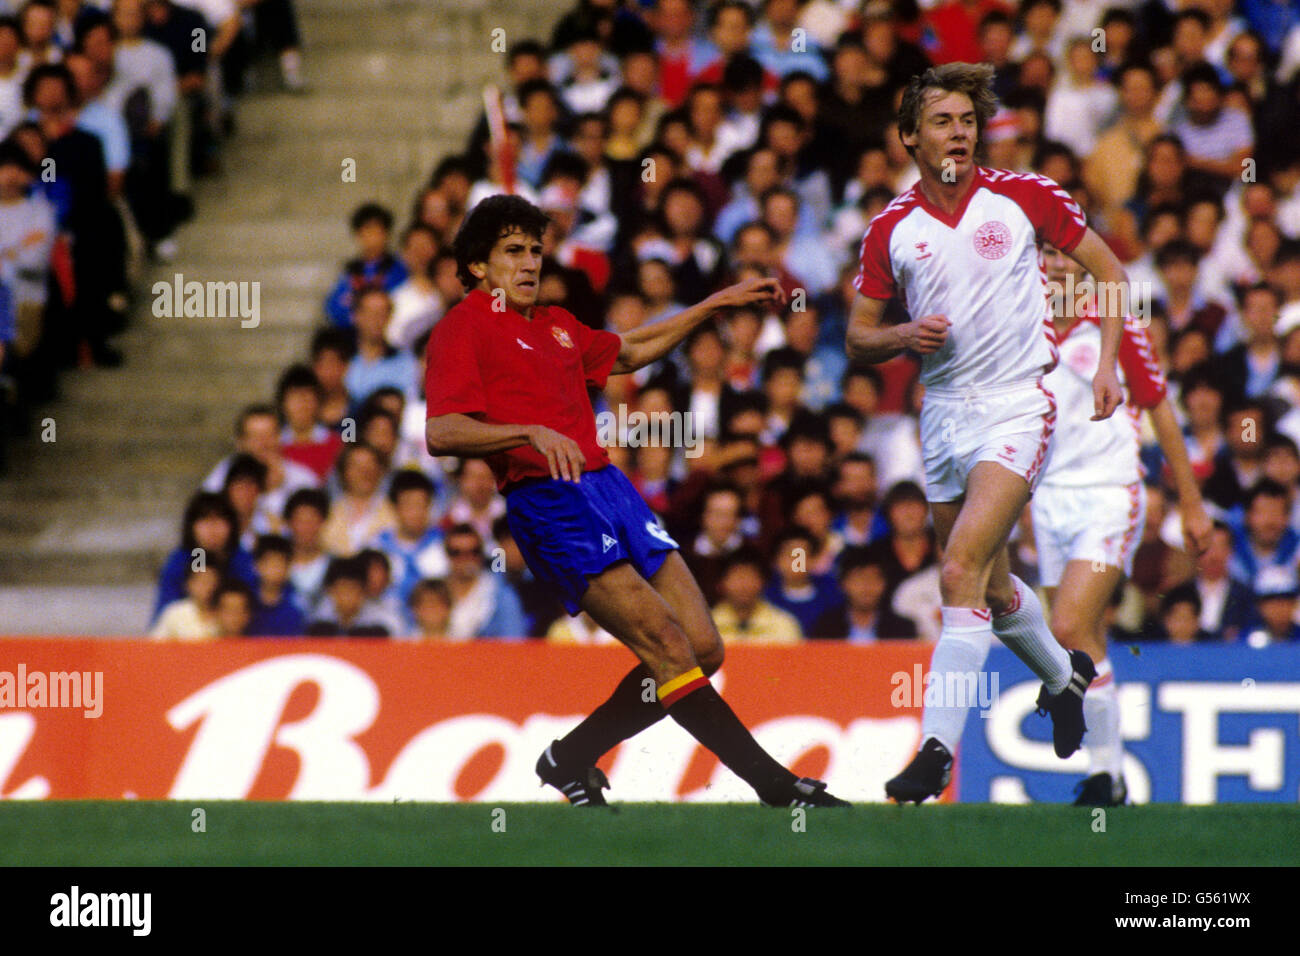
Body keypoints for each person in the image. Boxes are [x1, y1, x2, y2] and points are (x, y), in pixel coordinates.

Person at [424, 193, 847, 808]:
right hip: (548, 500)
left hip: (610, 491)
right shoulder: (463, 327)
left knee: (703, 647)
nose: (529, 263)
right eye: (512, 251)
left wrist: (712, 305)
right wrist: (528, 432)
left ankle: (568, 756)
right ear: (477, 267)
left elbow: (627, 351)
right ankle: (776, 786)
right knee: (667, 648)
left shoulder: (557, 324)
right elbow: (442, 431)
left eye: (536, 251)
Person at [846, 63, 1130, 803]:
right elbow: (857, 338)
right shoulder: (892, 230)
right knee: (997, 591)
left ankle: (935, 750)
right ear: (909, 136)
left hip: (1016, 406)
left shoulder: (1024, 197)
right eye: (942, 121)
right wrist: (904, 332)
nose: (959, 133)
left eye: (968, 121)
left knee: (957, 573)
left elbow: (1109, 272)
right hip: (940, 416)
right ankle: (1066, 677)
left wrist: (1105, 366)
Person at [1031, 239, 1212, 806]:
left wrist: (1190, 501)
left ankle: (1101, 762)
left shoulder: (1115, 323)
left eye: (1067, 253)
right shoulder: (1019, 325)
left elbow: (1159, 404)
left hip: (1110, 495)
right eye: (1046, 252)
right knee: (1083, 640)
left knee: (1064, 627)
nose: (1058, 263)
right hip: (1044, 500)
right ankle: (1109, 777)